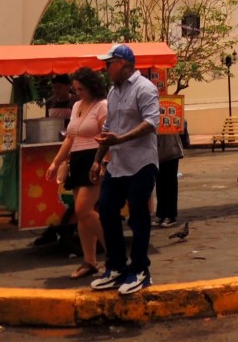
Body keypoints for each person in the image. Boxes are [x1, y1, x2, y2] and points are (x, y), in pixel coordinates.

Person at [89, 44, 160, 295]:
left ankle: (140, 270)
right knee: (107, 210)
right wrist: (98, 159)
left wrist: (121, 140)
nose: (105, 68)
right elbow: (109, 128)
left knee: (138, 217)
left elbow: (151, 123)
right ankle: (116, 267)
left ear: (122, 63)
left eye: (109, 63)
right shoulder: (114, 91)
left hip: (140, 163)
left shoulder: (145, 88)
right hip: (117, 164)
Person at [45, 67, 108, 280]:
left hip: (94, 160)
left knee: (83, 210)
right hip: (78, 160)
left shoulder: (102, 106)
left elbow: (107, 138)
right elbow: (70, 138)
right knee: (81, 215)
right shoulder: (77, 107)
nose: (77, 93)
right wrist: (56, 162)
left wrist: (103, 163)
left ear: (91, 86)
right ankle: (90, 261)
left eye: (80, 89)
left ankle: (115, 253)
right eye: (75, 89)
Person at [154, 80, 184, 228]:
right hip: (157, 152)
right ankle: (161, 213)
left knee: (169, 183)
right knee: (160, 184)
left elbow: (179, 123)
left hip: (170, 150)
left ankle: (170, 215)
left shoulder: (167, 105)